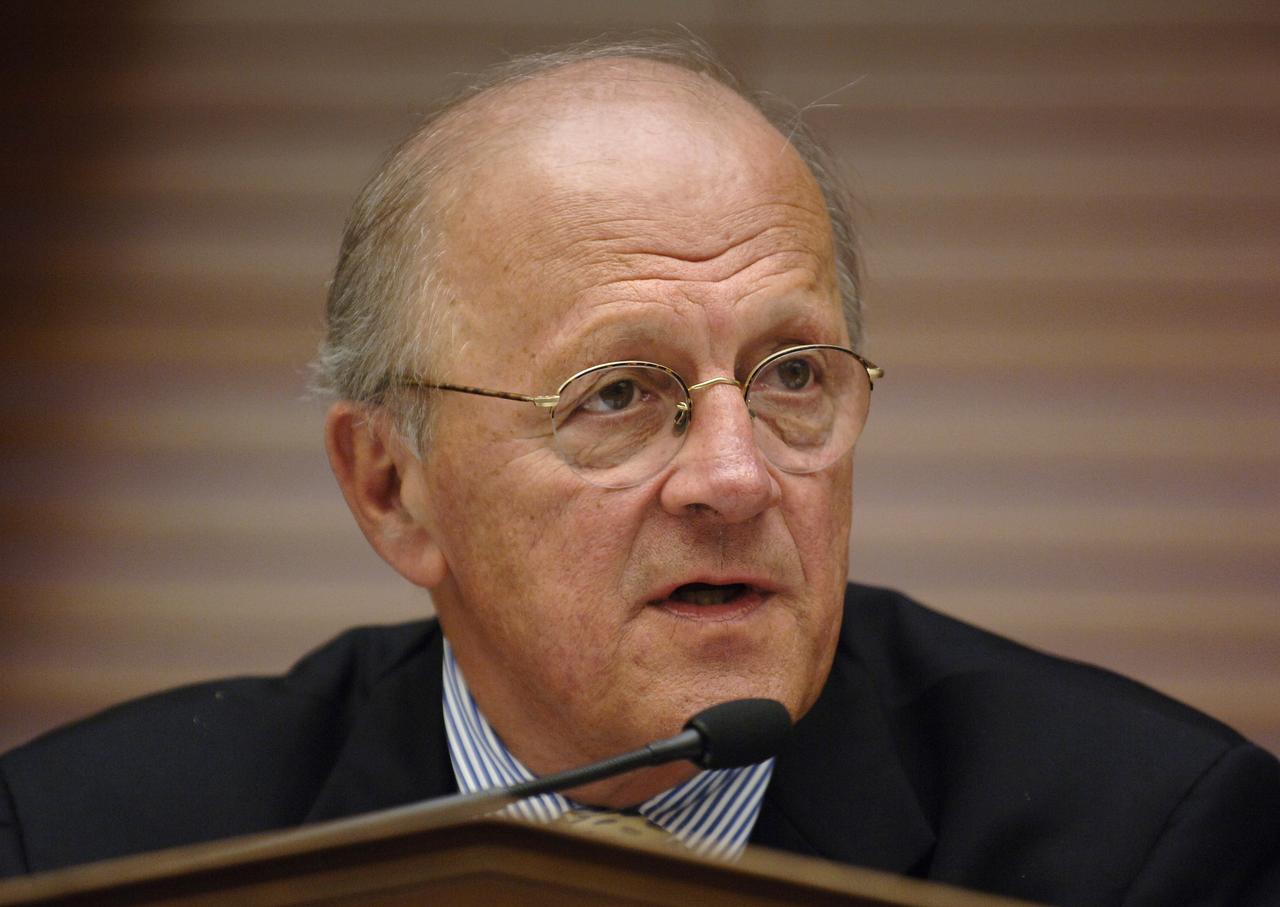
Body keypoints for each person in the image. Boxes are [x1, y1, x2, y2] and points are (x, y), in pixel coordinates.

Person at [1, 35, 1277, 906]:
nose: (735, 478)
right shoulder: (92, 850)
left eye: (791, 374)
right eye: (616, 394)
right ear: (391, 486)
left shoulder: (1146, 845)